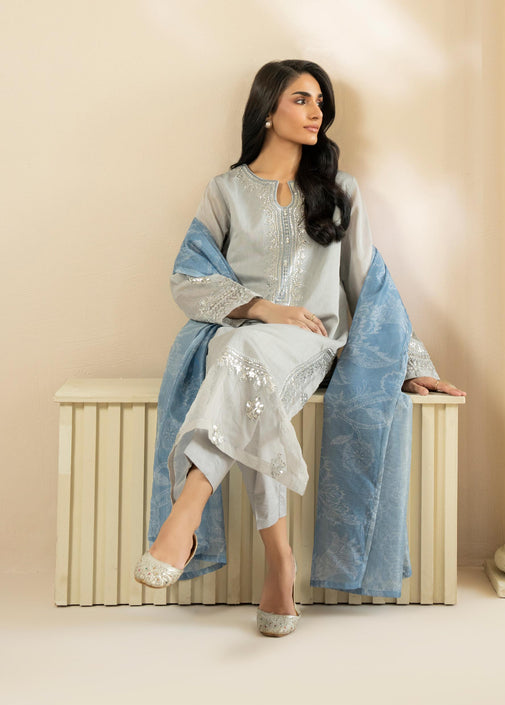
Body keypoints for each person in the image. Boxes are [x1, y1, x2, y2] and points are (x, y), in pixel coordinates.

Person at [134, 59, 466, 637]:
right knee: (243, 359)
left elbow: (369, 285)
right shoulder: (225, 191)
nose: (317, 113)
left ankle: (186, 512)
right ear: (267, 109)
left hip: (313, 345)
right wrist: (262, 307)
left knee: (243, 362)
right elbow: (188, 277)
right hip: (239, 338)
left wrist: (409, 363)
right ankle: (280, 565)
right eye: (301, 99)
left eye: (320, 103)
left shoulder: (340, 192)